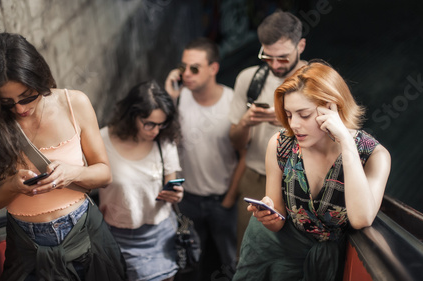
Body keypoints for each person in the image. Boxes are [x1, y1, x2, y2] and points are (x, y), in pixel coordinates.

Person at [0, 32, 126, 281]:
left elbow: (104, 173)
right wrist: (13, 186)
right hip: (27, 246)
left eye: (28, 96)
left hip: (84, 233)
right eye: (6, 103)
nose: (20, 108)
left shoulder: (74, 103)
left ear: (40, 79)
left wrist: (72, 172)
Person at [233, 60, 391, 281]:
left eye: (304, 115)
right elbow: (278, 221)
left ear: (331, 107)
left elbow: (361, 218)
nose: (294, 124)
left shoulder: (374, 156)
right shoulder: (280, 144)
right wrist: (268, 214)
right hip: (270, 250)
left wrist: (346, 142)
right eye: (288, 115)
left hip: (328, 262)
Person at [228, 11, 308, 252]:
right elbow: (235, 142)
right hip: (255, 179)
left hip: (302, 183)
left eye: (283, 58)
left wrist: (285, 121)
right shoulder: (249, 79)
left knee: (293, 256)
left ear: (301, 46)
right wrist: (245, 123)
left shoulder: (319, 83)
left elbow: (332, 138)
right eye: (267, 57)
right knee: (249, 251)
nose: (275, 65)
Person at [164, 37, 239, 280]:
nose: (186, 74)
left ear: (213, 69)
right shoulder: (180, 98)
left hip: (222, 199)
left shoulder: (232, 102)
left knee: (232, 260)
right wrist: (170, 99)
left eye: (194, 68)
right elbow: (166, 144)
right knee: (190, 261)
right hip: (188, 200)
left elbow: (246, 153)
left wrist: (229, 199)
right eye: (183, 67)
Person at [98, 81, 184, 281]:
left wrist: (176, 194)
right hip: (119, 234)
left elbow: (172, 184)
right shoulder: (103, 140)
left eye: (161, 124)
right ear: (132, 116)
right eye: (149, 124)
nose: (155, 130)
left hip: (161, 231)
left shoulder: (164, 140)